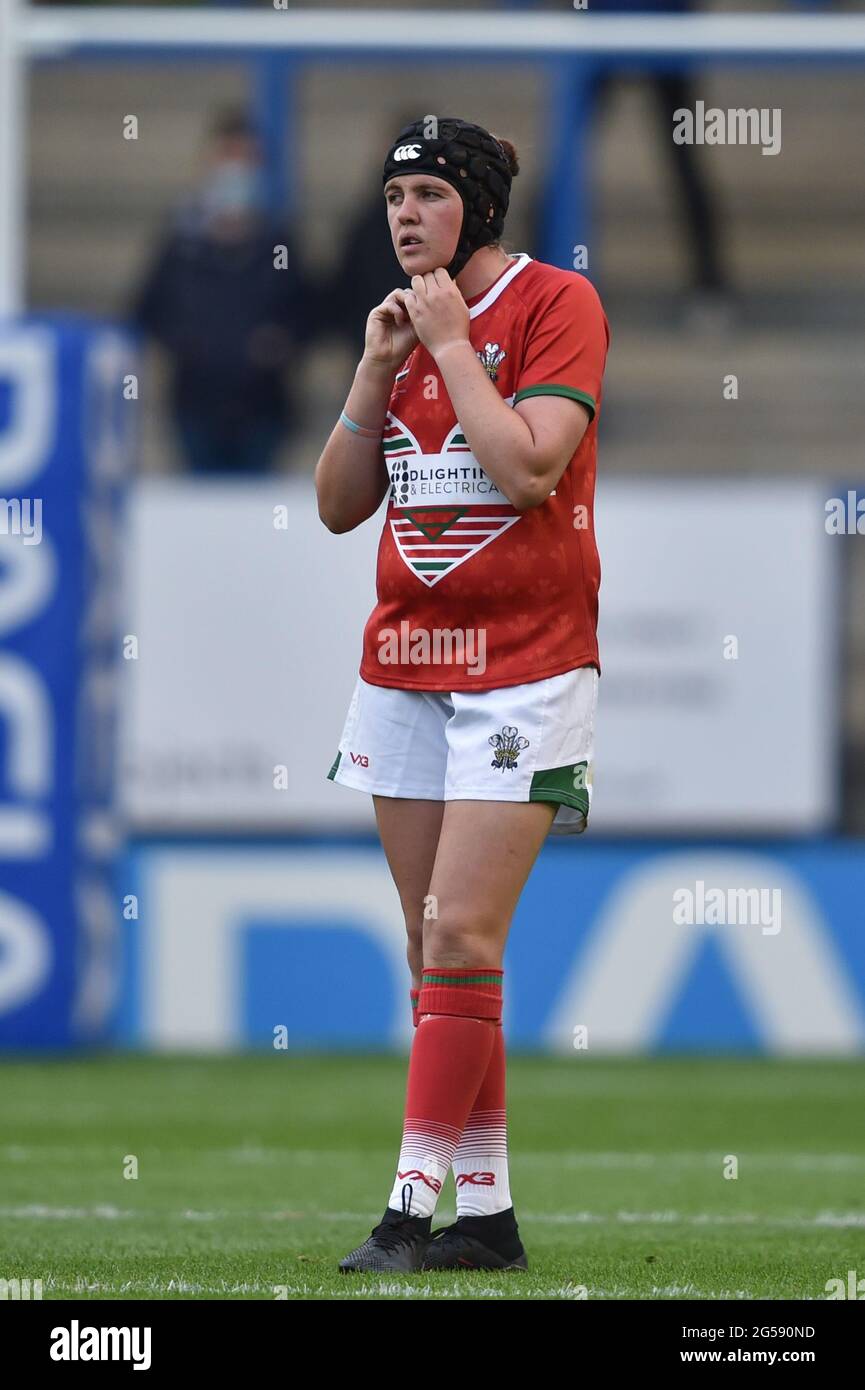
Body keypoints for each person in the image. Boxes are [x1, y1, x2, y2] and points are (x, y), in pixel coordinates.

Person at [314, 116, 610, 1273]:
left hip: (527, 666)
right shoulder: (401, 327)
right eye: (394, 195)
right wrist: (374, 367)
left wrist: (448, 350)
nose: (404, 214)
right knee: (431, 952)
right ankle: (482, 1215)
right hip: (404, 666)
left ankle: (404, 1211)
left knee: (462, 931)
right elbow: (341, 504)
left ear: (479, 206)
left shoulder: (554, 305)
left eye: (429, 193)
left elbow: (530, 467)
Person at [131, 108, 309, 474]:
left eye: (247, 160)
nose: (237, 171)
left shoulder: (280, 245)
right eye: (229, 157)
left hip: (264, 408)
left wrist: (282, 343)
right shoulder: (181, 246)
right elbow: (147, 310)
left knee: (254, 512)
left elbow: (309, 313)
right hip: (194, 405)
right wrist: (187, 342)